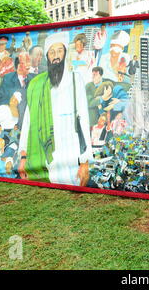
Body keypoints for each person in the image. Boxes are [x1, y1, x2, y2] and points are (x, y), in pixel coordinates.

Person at [18, 31, 93, 186]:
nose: (56, 56)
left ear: (65, 53)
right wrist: (24, 157)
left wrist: (85, 161)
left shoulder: (75, 79)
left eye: (60, 51)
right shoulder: (37, 85)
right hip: (43, 154)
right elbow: (28, 122)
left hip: (71, 152)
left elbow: (84, 120)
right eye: (52, 52)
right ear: (47, 56)